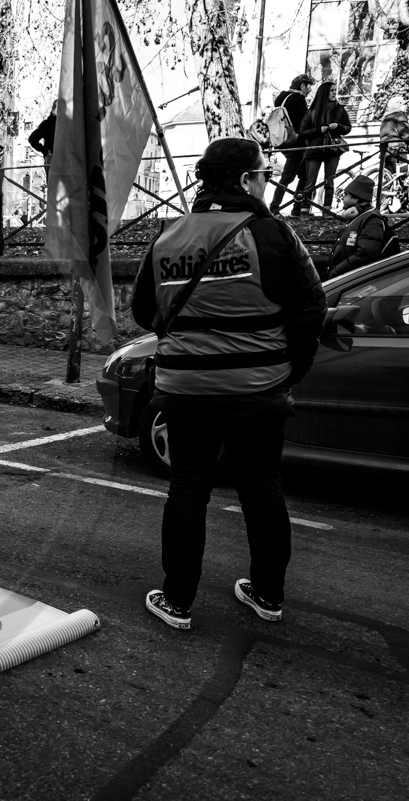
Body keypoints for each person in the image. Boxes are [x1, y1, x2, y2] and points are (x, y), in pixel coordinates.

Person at [131, 138, 326, 630]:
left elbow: (142, 311)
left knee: (188, 488)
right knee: (262, 488)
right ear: (245, 180)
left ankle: (177, 602)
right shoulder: (273, 234)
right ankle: (267, 596)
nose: (267, 180)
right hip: (258, 388)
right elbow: (311, 309)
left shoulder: (168, 236)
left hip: (187, 391)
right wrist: (288, 369)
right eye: (264, 172)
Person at [296, 81, 351, 216]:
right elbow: (302, 132)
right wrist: (318, 130)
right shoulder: (313, 111)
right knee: (310, 182)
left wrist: (338, 126)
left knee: (329, 181)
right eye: (331, 90)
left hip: (333, 150)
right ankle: (304, 210)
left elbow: (348, 128)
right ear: (325, 92)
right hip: (315, 149)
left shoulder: (340, 109)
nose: (334, 93)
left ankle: (326, 210)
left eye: (335, 90)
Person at [268, 74, 314, 216]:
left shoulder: (282, 98)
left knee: (302, 175)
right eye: (309, 86)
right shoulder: (297, 99)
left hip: (283, 141)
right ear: (302, 86)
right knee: (290, 176)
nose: (310, 90)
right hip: (296, 142)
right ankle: (276, 208)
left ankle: (296, 207)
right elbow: (303, 122)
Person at [327, 175, 388, 279]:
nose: (343, 198)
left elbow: (364, 257)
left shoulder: (372, 222)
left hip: (351, 283)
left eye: (346, 195)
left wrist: (336, 272)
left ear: (356, 198)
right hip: (345, 279)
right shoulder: (360, 217)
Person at [28, 101, 58, 177]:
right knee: (53, 184)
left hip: (66, 158)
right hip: (52, 157)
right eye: (59, 108)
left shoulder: (68, 124)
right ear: (53, 111)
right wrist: (45, 150)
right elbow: (32, 138)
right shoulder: (47, 124)